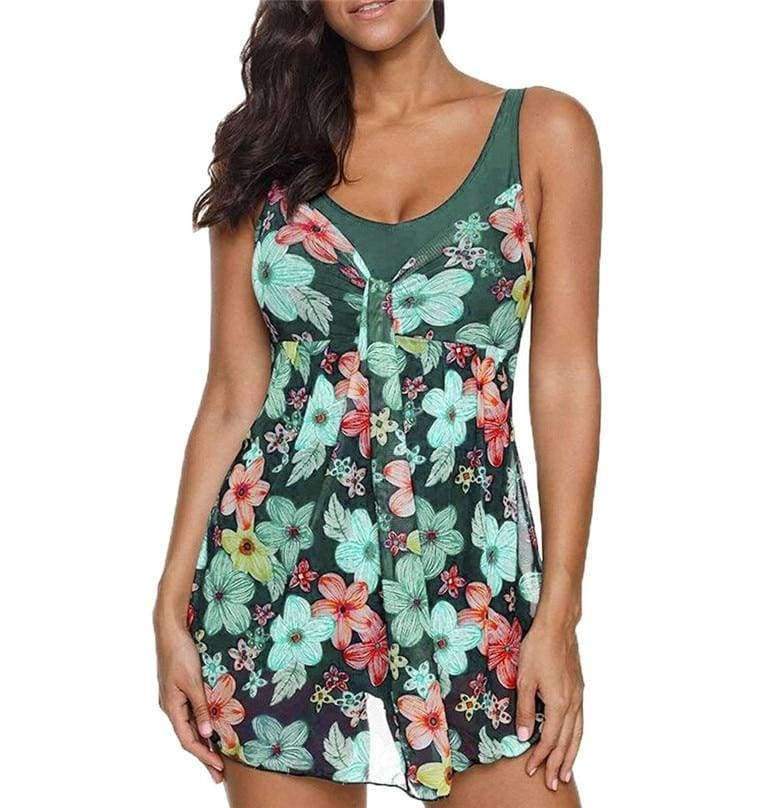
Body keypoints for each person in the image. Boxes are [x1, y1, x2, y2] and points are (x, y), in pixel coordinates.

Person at [154, 2, 601, 806]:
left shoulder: (543, 131)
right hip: (277, 584)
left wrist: (560, 611)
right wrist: (168, 605)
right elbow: (230, 393)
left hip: (473, 582)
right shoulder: (265, 146)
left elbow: (565, 375)